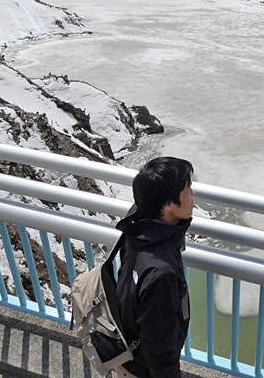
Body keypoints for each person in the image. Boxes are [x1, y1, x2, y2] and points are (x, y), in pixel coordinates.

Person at [115, 156, 195, 378]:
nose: (193, 194)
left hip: (127, 352)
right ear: (168, 205)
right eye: (187, 188)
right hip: (141, 370)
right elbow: (159, 349)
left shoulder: (138, 223)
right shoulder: (161, 273)